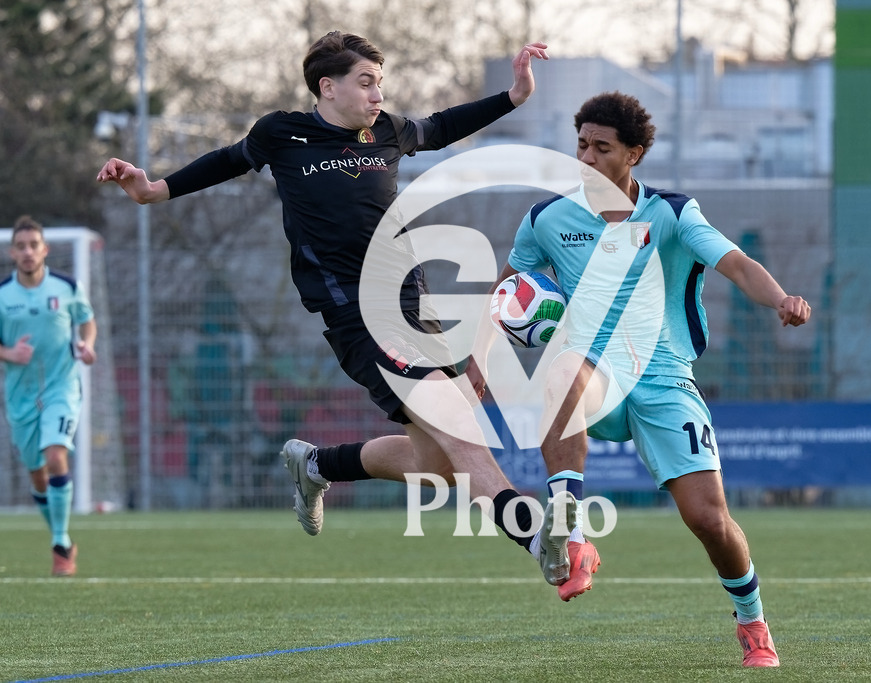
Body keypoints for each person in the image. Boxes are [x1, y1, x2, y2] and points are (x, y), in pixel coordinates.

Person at [97, 31, 587, 599]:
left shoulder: (386, 132)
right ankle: (535, 538)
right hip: (356, 314)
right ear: (327, 88)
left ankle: (318, 465)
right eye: (366, 81)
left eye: (381, 82)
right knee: (461, 430)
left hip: (412, 305)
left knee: (438, 462)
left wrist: (513, 96)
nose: (379, 94)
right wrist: (152, 188)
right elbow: (225, 162)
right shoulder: (280, 133)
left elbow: (440, 125)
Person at [472, 92, 812, 665]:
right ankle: (571, 534)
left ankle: (752, 622)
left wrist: (781, 299)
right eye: (580, 143)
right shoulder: (547, 219)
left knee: (708, 519)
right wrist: (478, 361)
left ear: (634, 153)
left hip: (662, 378)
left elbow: (737, 265)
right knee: (560, 370)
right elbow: (507, 294)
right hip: (593, 372)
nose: (586, 156)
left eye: (601, 147)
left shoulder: (673, 213)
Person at [0, 216, 97, 576]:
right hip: (21, 396)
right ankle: (61, 538)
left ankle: (60, 542)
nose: (27, 252)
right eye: (21, 246)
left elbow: (87, 320)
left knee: (55, 453)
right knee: (37, 473)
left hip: (61, 387)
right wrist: (9, 354)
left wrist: (87, 343)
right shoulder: (2, 295)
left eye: (33, 245)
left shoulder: (68, 286)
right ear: (12, 253)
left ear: (45, 249)